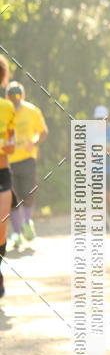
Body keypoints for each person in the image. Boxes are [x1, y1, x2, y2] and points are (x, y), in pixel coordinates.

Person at [7, 81, 48, 248]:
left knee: (28, 194)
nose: (15, 99)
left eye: (18, 96)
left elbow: (43, 132)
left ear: (22, 96)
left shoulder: (32, 111)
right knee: (12, 197)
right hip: (8, 161)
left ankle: (27, 222)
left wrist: (35, 141)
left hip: (28, 158)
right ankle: (16, 233)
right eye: (11, 96)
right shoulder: (3, 112)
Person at [0, 56, 16, 297]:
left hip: (2, 172)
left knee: (1, 227)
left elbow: (10, 143)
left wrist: (7, 144)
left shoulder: (8, 107)